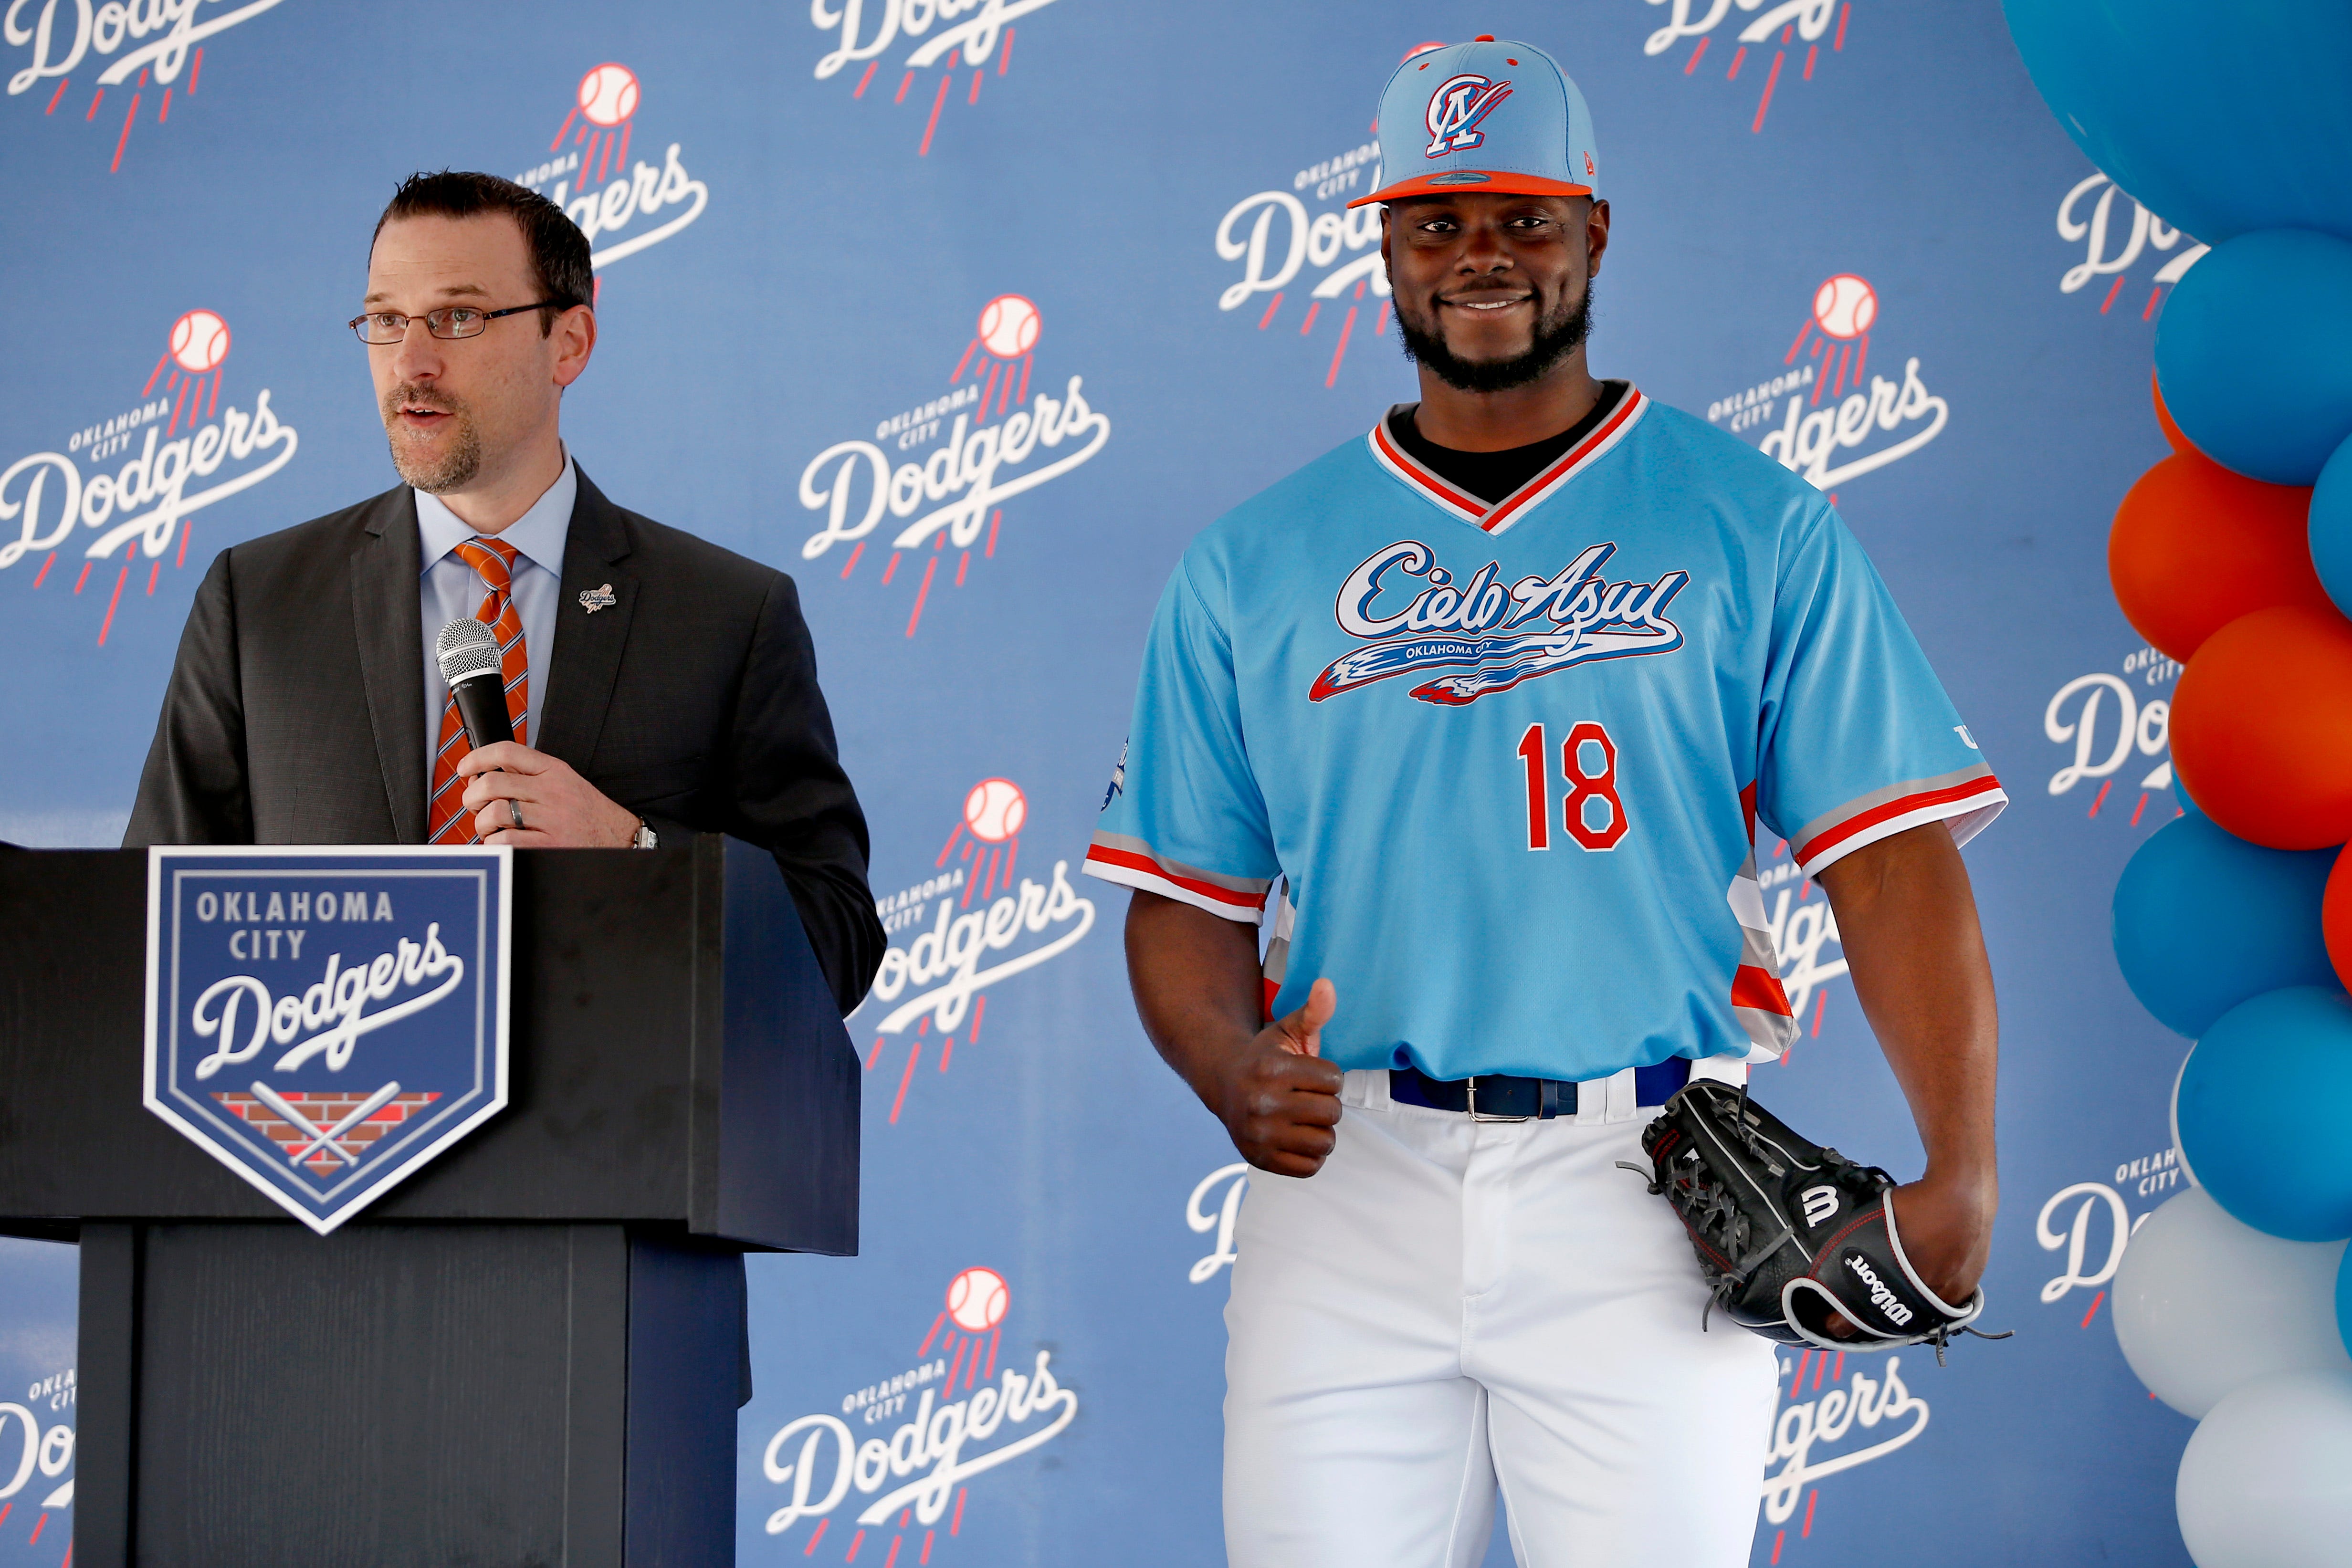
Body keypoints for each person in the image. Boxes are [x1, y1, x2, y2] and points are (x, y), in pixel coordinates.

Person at [1082, 38, 2005, 1568]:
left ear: (1594, 230)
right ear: (1383, 246)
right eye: (1437, 223)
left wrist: (1962, 1164)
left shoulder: (1756, 521)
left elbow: (1891, 859)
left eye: (1522, 215)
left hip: (1650, 1177)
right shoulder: (1253, 560)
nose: (1481, 255)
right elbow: (1183, 899)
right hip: (1349, 1182)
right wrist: (1224, 1064)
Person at [126, 170, 884, 1016]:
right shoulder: (258, 604)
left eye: (459, 317)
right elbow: (148, 934)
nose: (411, 363)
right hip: (329, 1128)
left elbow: (837, 942)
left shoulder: (727, 616)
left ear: (570, 343)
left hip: (614, 1138)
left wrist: (631, 848)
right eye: (385, 321)